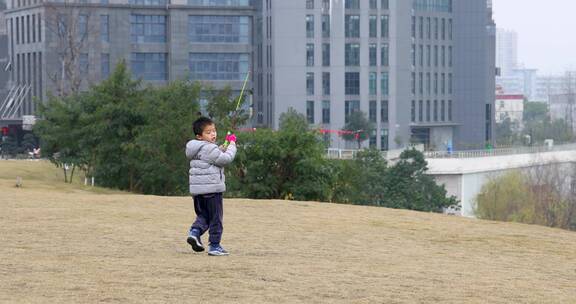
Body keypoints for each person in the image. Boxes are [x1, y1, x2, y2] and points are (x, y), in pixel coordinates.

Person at [185, 117, 237, 256]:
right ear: (199, 136)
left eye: (214, 131)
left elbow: (212, 156)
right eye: (208, 132)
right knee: (215, 219)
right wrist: (232, 144)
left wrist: (222, 147)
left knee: (203, 216)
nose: (213, 134)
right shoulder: (208, 148)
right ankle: (215, 246)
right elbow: (224, 159)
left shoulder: (195, 149)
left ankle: (194, 233)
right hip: (212, 191)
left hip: (198, 192)